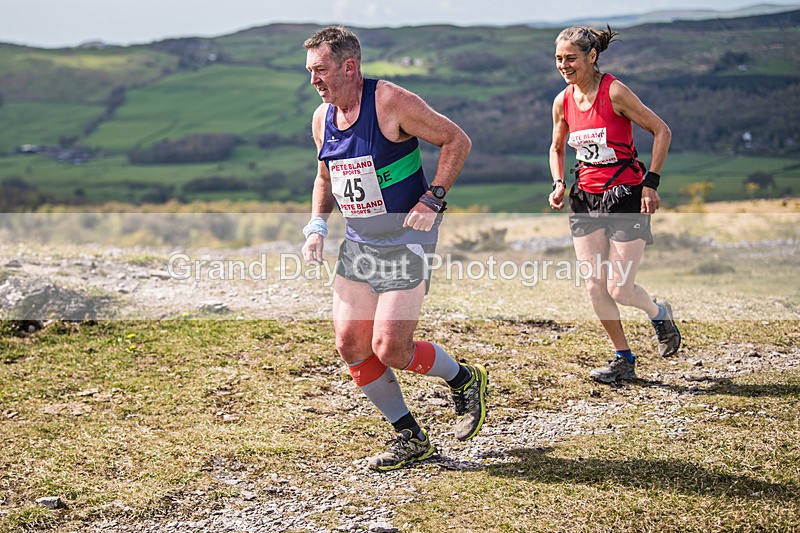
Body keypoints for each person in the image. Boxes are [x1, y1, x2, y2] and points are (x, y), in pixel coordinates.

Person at [300, 26, 488, 471]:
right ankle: (410, 437)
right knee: (351, 344)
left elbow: (456, 140)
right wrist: (316, 226)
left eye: (320, 70)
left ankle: (464, 380)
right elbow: (326, 176)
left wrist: (433, 197)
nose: (314, 80)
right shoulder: (322, 118)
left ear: (349, 66)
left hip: (407, 238)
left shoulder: (389, 101)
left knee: (390, 348)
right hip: (360, 241)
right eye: (309, 72)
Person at [547, 26, 682, 384]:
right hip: (585, 198)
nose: (564, 65)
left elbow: (662, 131)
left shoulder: (615, 92)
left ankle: (658, 314)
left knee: (619, 288)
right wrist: (559, 182)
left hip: (625, 195)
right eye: (559, 58)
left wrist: (651, 183)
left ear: (592, 57)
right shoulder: (562, 101)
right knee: (594, 285)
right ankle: (623, 358)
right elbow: (557, 147)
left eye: (571, 58)